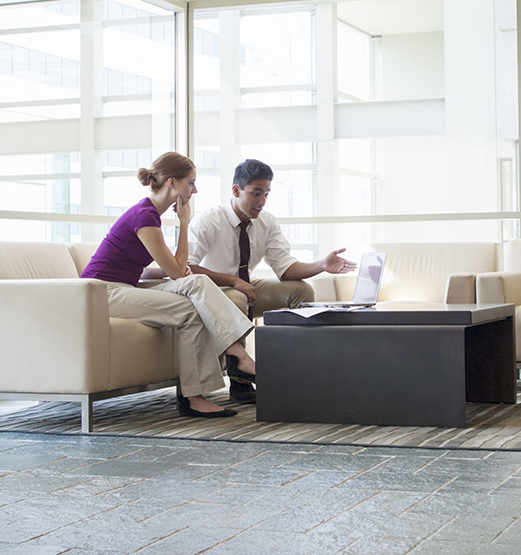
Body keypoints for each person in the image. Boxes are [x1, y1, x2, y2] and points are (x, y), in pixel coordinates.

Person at [80, 152, 256, 417]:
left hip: (125, 285)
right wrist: (184, 223)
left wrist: (164, 271)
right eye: (191, 183)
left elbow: (140, 267)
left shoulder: (149, 214)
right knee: (190, 309)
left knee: (197, 282)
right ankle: (213, 378)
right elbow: (175, 271)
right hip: (101, 293)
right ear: (172, 183)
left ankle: (229, 363)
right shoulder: (145, 216)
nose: (194, 190)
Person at [188, 158, 357, 316]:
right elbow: (187, 267)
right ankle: (238, 349)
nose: (262, 202)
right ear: (236, 190)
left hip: (246, 286)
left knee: (302, 290)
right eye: (256, 194)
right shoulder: (208, 221)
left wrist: (321, 264)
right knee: (238, 298)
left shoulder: (266, 221)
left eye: (266, 194)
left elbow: (285, 267)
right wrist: (232, 281)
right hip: (215, 288)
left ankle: (296, 348)